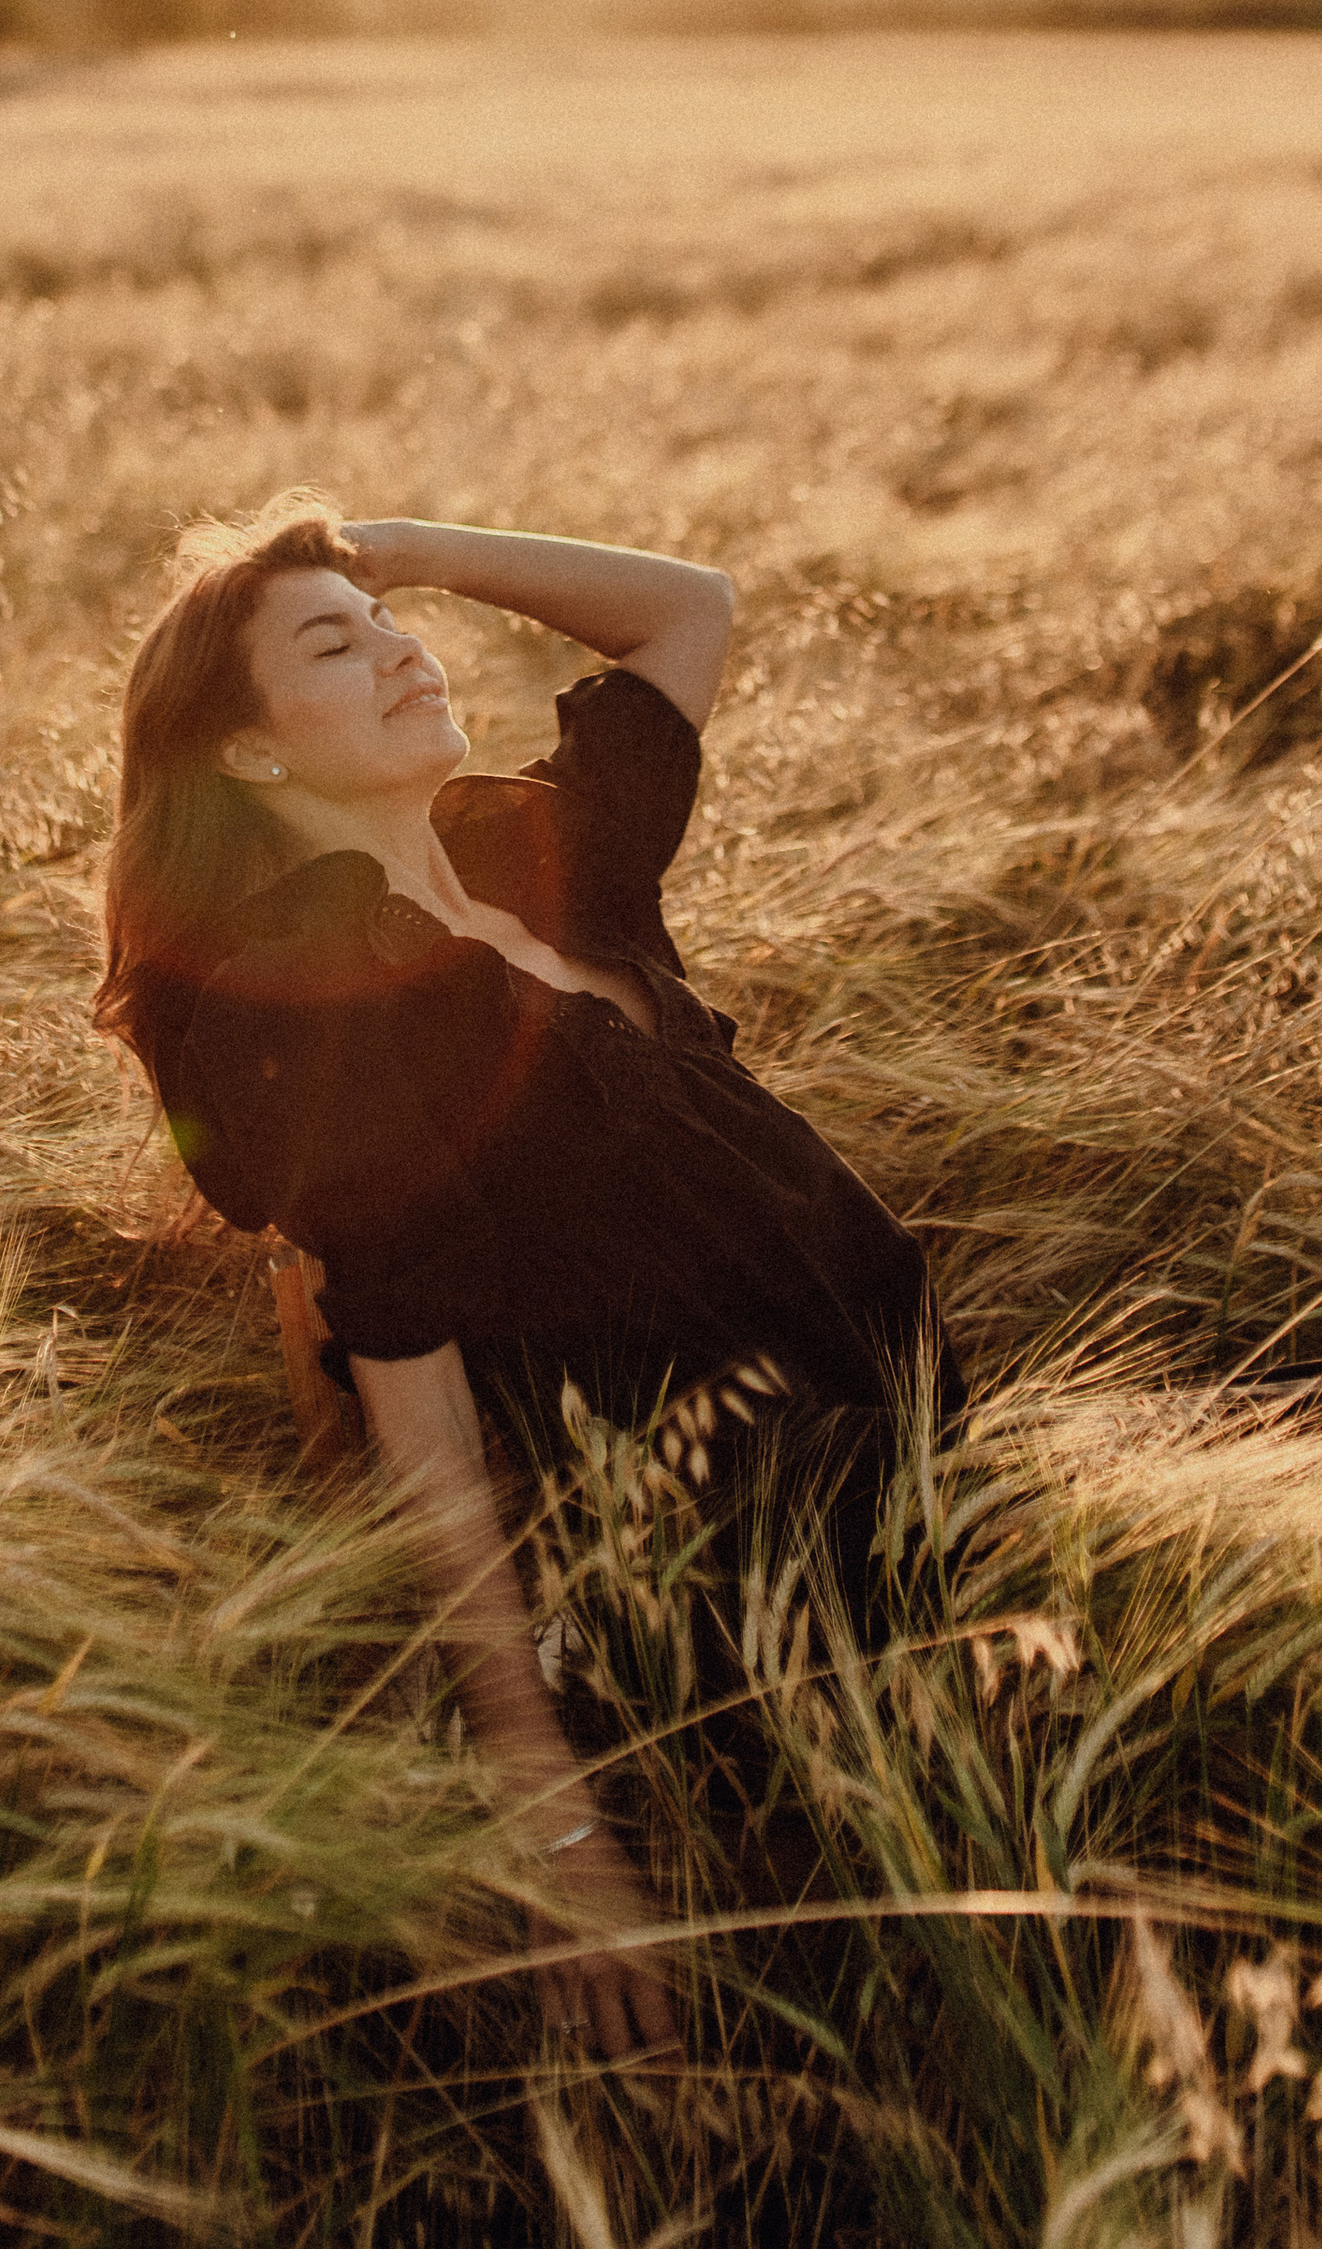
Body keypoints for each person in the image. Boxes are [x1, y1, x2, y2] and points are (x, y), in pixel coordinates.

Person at [97, 498, 957, 2062]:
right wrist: (551, 1808)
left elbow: (688, 606)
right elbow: (411, 1388)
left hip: (903, 1446)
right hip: (742, 1558)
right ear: (252, 754)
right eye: (332, 649)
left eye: (393, 626)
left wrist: (397, 549)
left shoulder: (526, 846)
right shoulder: (325, 994)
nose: (402, 651)